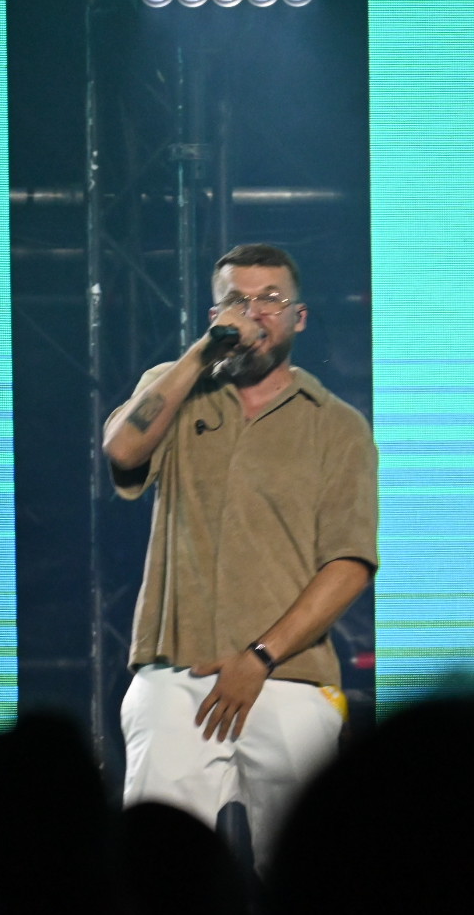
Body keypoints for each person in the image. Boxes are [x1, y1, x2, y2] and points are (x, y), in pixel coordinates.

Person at [101, 243, 378, 871]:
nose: (252, 313)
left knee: (306, 876)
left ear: (299, 317)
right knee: (157, 872)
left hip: (290, 680)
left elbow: (350, 562)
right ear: (214, 313)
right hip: (176, 675)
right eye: (235, 300)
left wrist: (259, 657)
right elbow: (121, 450)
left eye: (270, 299)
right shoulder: (177, 388)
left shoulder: (337, 425)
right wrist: (204, 352)